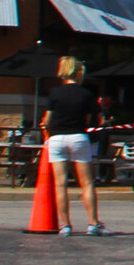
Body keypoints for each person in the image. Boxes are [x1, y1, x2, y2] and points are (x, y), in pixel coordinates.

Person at [44, 55, 110, 237]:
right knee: (87, 183)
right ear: (79, 73)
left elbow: (47, 119)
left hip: (57, 138)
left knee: (60, 184)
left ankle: (65, 225)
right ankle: (92, 223)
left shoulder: (54, 94)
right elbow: (91, 120)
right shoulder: (86, 94)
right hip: (78, 137)